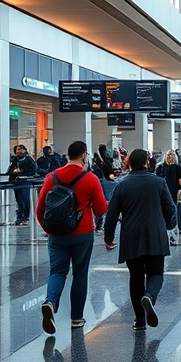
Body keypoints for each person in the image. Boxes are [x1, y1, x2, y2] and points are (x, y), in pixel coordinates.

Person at [36, 141, 108, 334]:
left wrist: (49, 229)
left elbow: (39, 209)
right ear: (84, 156)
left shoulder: (52, 177)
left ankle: (50, 302)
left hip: (56, 235)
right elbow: (101, 209)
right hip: (82, 233)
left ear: (68, 156)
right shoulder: (90, 178)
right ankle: (76, 318)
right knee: (80, 273)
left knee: (57, 271)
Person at [103, 149, 177, 331]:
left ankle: (140, 321)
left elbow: (111, 215)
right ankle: (150, 297)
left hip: (131, 236)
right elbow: (170, 208)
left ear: (129, 164)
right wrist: (168, 225)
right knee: (156, 273)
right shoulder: (158, 182)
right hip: (155, 234)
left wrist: (109, 237)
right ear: (146, 163)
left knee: (135, 278)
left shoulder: (122, 185)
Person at [159, 150, 181, 243]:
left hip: (167, 192)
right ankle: (171, 230)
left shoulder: (161, 167)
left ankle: (169, 231)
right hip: (171, 192)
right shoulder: (176, 168)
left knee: (168, 211)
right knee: (172, 211)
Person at [8, 144, 38, 226]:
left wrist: (21, 171)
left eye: (21, 149)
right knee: (19, 200)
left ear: (25, 150)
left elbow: (33, 170)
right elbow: (10, 170)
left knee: (25, 199)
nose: (19, 151)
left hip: (25, 181)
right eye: (18, 150)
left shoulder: (29, 159)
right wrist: (13, 172)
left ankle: (26, 217)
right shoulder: (15, 160)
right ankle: (19, 217)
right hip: (16, 181)